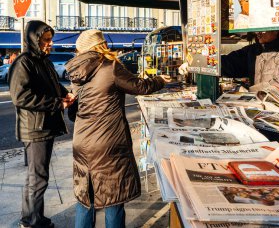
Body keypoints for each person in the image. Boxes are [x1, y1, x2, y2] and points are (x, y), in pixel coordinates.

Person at [65, 29, 170, 228]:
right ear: (100, 45)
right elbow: (140, 86)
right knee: (113, 198)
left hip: (82, 141)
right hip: (108, 143)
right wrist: (160, 80)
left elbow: (74, 111)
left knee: (86, 199)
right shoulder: (110, 66)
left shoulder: (76, 72)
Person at [8, 20, 75, 228]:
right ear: (34, 39)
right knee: (38, 178)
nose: (50, 43)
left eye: (50, 39)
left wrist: (65, 94)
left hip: (42, 126)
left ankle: (30, 218)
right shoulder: (24, 62)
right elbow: (20, 97)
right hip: (35, 128)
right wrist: (57, 103)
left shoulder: (43, 60)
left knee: (34, 177)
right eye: (46, 39)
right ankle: (34, 222)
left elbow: (53, 85)